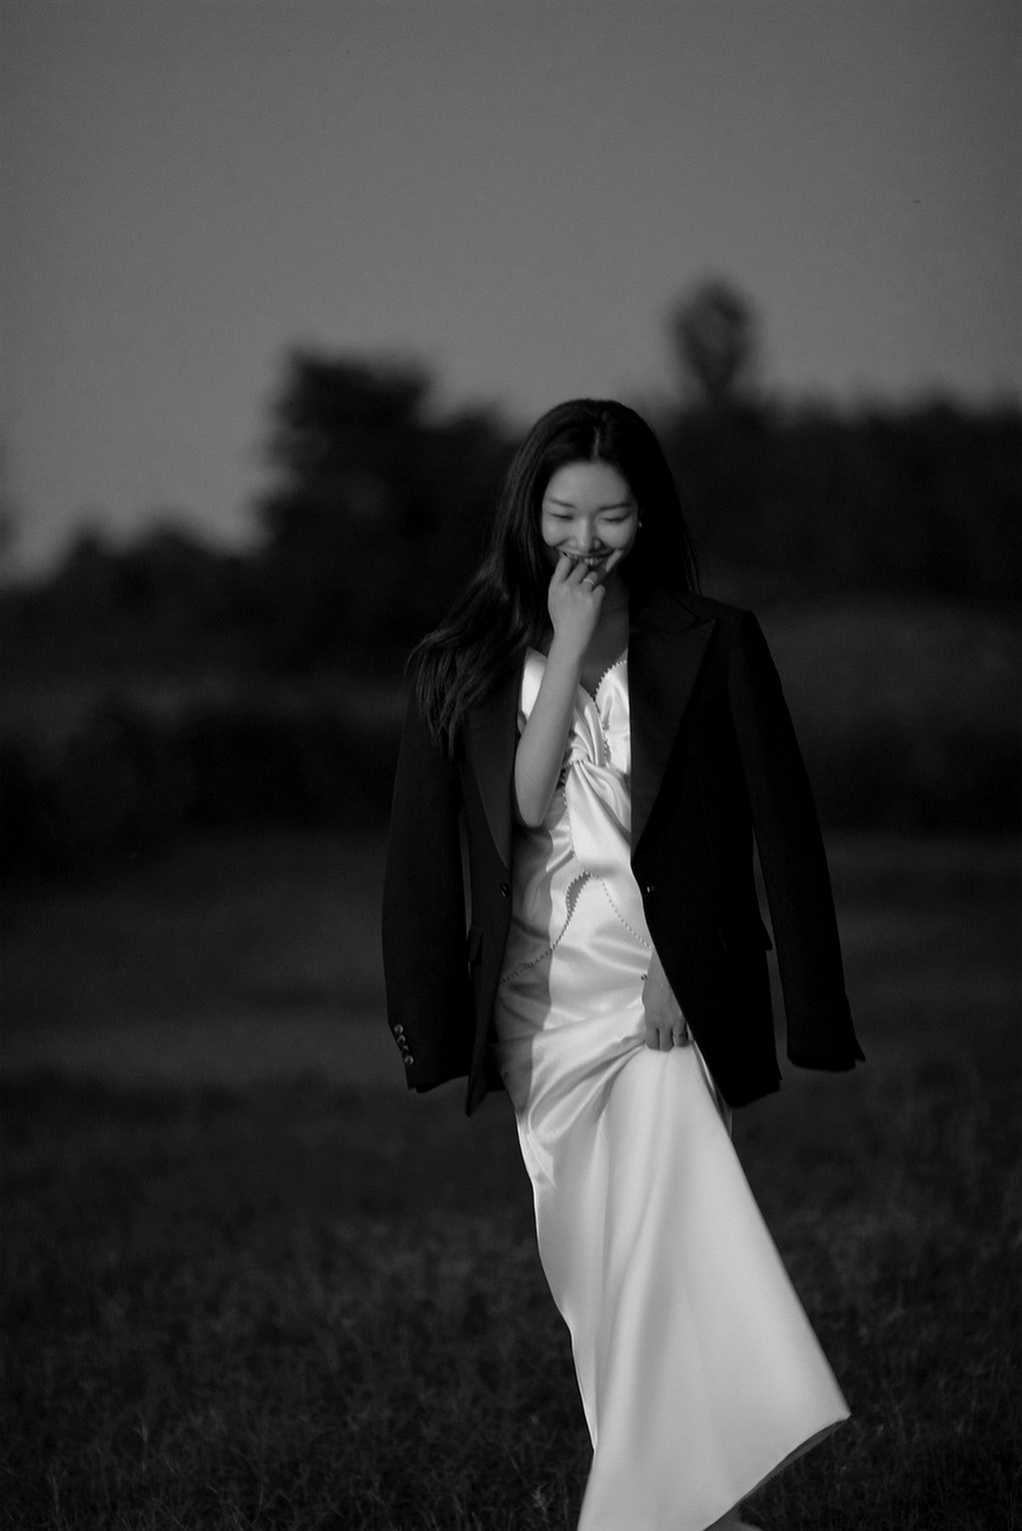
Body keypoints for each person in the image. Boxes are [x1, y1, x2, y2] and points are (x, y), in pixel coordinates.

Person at [382, 398, 864, 1531]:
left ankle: (650, 1514)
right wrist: (561, 638)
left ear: (647, 517)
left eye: (610, 515)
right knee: (591, 1280)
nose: (586, 540)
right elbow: (510, 812)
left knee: (667, 1256)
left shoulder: (714, 638)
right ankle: (693, 1514)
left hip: (662, 1000)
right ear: (528, 515)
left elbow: (776, 829)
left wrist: (705, 972)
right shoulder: (463, 661)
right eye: (563, 515)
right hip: (540, 1006)